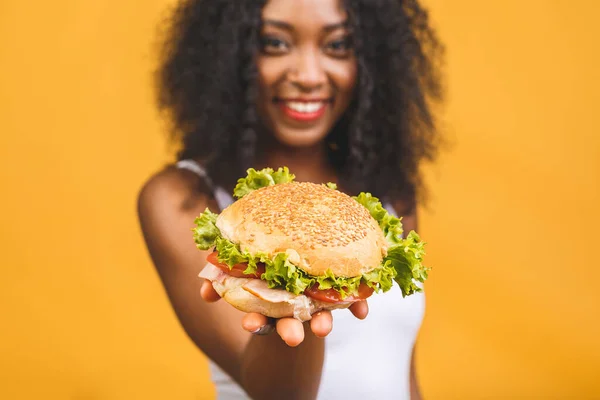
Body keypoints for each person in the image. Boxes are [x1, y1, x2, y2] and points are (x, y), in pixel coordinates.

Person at [137, 0, 443, 399]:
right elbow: (278, 395)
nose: (308, 76)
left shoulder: (386, 198)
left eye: (337, 45)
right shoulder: (182, 200)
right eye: (275, 43)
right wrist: (296, 303)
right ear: (229, 55)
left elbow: (400, 370)